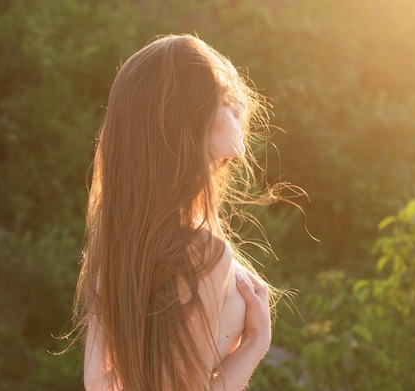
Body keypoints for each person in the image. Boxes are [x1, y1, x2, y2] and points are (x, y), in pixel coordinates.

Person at [70, 34, 278, 391]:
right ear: (189, 123)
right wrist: (255, 345)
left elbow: (98, 382)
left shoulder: (119, 243)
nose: (241, 108)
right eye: (226, 99)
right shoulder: (202, 252)